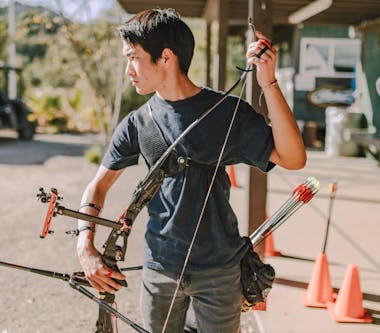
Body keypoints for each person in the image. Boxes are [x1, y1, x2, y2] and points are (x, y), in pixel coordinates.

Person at [76, 8, 306, 333]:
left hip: (220, 272)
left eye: (134, 57)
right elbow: (97, 187)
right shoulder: (137, 123)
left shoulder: (227, 112)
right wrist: (85, 247)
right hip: (160, 269)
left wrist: (267, 80)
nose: (128, 69)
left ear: (166, 58)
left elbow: (294, 158)